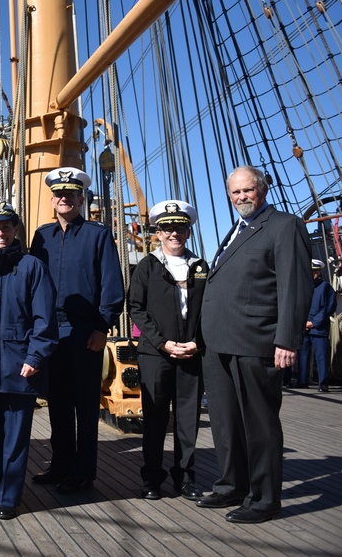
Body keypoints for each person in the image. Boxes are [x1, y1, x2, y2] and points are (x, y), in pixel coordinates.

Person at [197, 165, 312, 524]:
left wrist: (287, 340)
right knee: (225, 420)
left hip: (256, 341)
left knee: (260, 424)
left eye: (248, 190)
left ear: (262, 189)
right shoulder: (237, 230)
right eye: (235, 193)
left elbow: (295, 285)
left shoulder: (283, 225)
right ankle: (232, 483)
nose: (242, 197)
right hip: (218, 344)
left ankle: (264, 499)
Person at [29, 167, 124, 493]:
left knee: (85, 406)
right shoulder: (42, 236)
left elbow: (111, 286)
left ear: (81, 198)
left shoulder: (98, 235)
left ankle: (83, 471)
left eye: (70, 194)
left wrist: (101, 327)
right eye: (59, 194)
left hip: (85, 332)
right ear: (52, 199)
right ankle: (61, 465)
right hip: (52, 333)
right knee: (57, 403)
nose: (64, 198)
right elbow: (32, 283)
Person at [0, 202, 57, 521]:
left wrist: (36, 356)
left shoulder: (33, 267)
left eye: (6, 226)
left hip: (21, 368)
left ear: (16, 229)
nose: (0, 232)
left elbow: (44, 318)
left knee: (16, 440)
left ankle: (9, 497)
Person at [128, 200, 207, 502]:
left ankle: (185, 479)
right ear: (158, 232)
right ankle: (152, 479)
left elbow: (209, 309)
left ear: (188, 231)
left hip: (191, 353)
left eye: (180, 227)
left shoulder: (200, 267)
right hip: (156, 355)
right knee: (155, 420)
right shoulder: (147, 266)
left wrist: (197, 342)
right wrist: (161, 342)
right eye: (168, 228)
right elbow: (136, 307)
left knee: (188, 421)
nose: (174, 233)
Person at [298, 259, 337, 392]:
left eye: (315, 271)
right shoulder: (303, 287)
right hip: (304, 327)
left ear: (320, 271)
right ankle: (302, 381)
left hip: (318, 328)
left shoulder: (326, 287)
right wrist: (303, 322)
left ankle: (323, 384)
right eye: (311, 271)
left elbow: (328, 307)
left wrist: (314, 323)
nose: (313, 273)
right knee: (302, 355)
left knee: (321, 356)